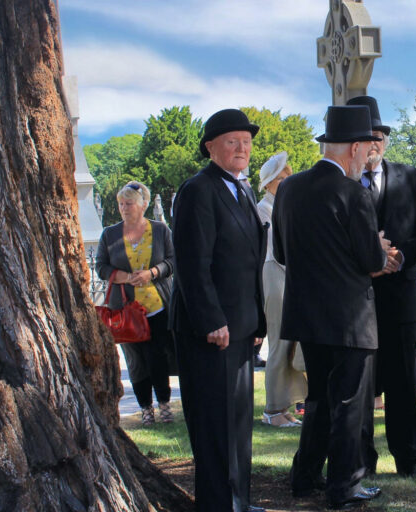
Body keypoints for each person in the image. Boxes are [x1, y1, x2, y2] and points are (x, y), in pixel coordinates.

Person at [272, 105, 388, 510]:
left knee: (318, 399)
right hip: (351, 318)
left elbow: (280, 252)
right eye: (366, 150)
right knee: (349, 405)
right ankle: (344, 485)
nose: (366, 158)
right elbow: (372, 262)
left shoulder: (288, 189)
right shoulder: (353, 192)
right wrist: (381, 249)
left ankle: (305, 476)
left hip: (307, 315)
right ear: (354, 148)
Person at [170, 108, 267, 512]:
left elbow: (249, 262)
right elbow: (193, 264)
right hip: (211, 331)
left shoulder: (242, 190)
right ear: (211, 147)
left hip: (241, 328)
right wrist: (212, 320)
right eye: (232, 141)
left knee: (239, 423)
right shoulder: (198, 190)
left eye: (246, 141)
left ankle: (239, 501)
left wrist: (258, 321)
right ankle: (218, 504)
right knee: (214, 425)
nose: (242, 147)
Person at [347, 95, 416, 481]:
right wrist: (369, 259)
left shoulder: (413, 178)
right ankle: (361, 462)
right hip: (355, 303)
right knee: (360, 386)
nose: (374, 143)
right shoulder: (342, 183)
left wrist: (399, 256)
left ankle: (413, 460)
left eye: (379, 135)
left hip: (401, 300)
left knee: (403, 384)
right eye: (368, 136)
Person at [96, 181, 176, 426]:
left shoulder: (160, 230)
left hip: (157, 306)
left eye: (128, 203)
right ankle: (145, 409)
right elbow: (101, 266)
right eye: (120, 203)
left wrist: (152, 272)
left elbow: (173, 260)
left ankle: (164, 405)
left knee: (158, 357)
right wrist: (124, 277)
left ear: (142, 205)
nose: (123, 208)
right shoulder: (110, 234)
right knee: (135, 362)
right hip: (125, 309)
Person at [256, 151, 307, 428]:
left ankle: (284, 405)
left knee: (290, 343)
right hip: (275, 272)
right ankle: (273, 408)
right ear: (270, 183)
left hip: (288, 275)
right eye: (282, 177)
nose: (287, 181)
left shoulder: (283, 205)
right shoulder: (265, 208)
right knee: (278, 342)